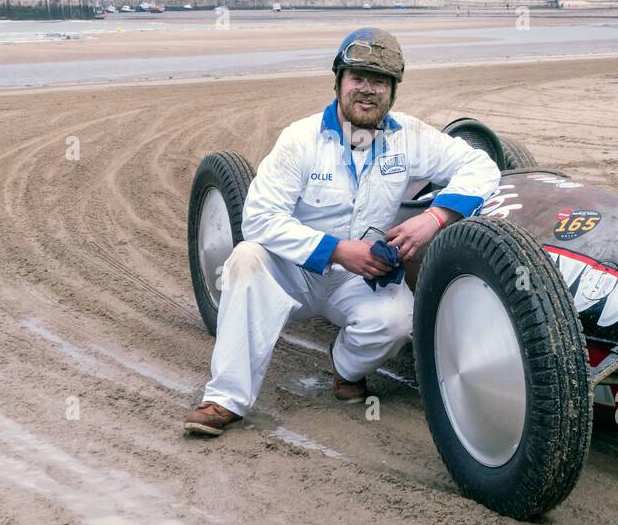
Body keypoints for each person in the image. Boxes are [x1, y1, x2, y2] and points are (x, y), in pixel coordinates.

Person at [184, 27, 501, 436]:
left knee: (400, 317)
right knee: (245, 258)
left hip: (358, 277)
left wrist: (436, 217)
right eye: (358, 78)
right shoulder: (300, 140)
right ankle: (224, 399)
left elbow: (481, 167)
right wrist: (335, 250)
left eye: (380, 81)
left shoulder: (409, 137)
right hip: (292, 271)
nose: (367, 90)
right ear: (338, 82)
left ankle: (345, 370)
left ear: (393, 91)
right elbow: (259, 217)